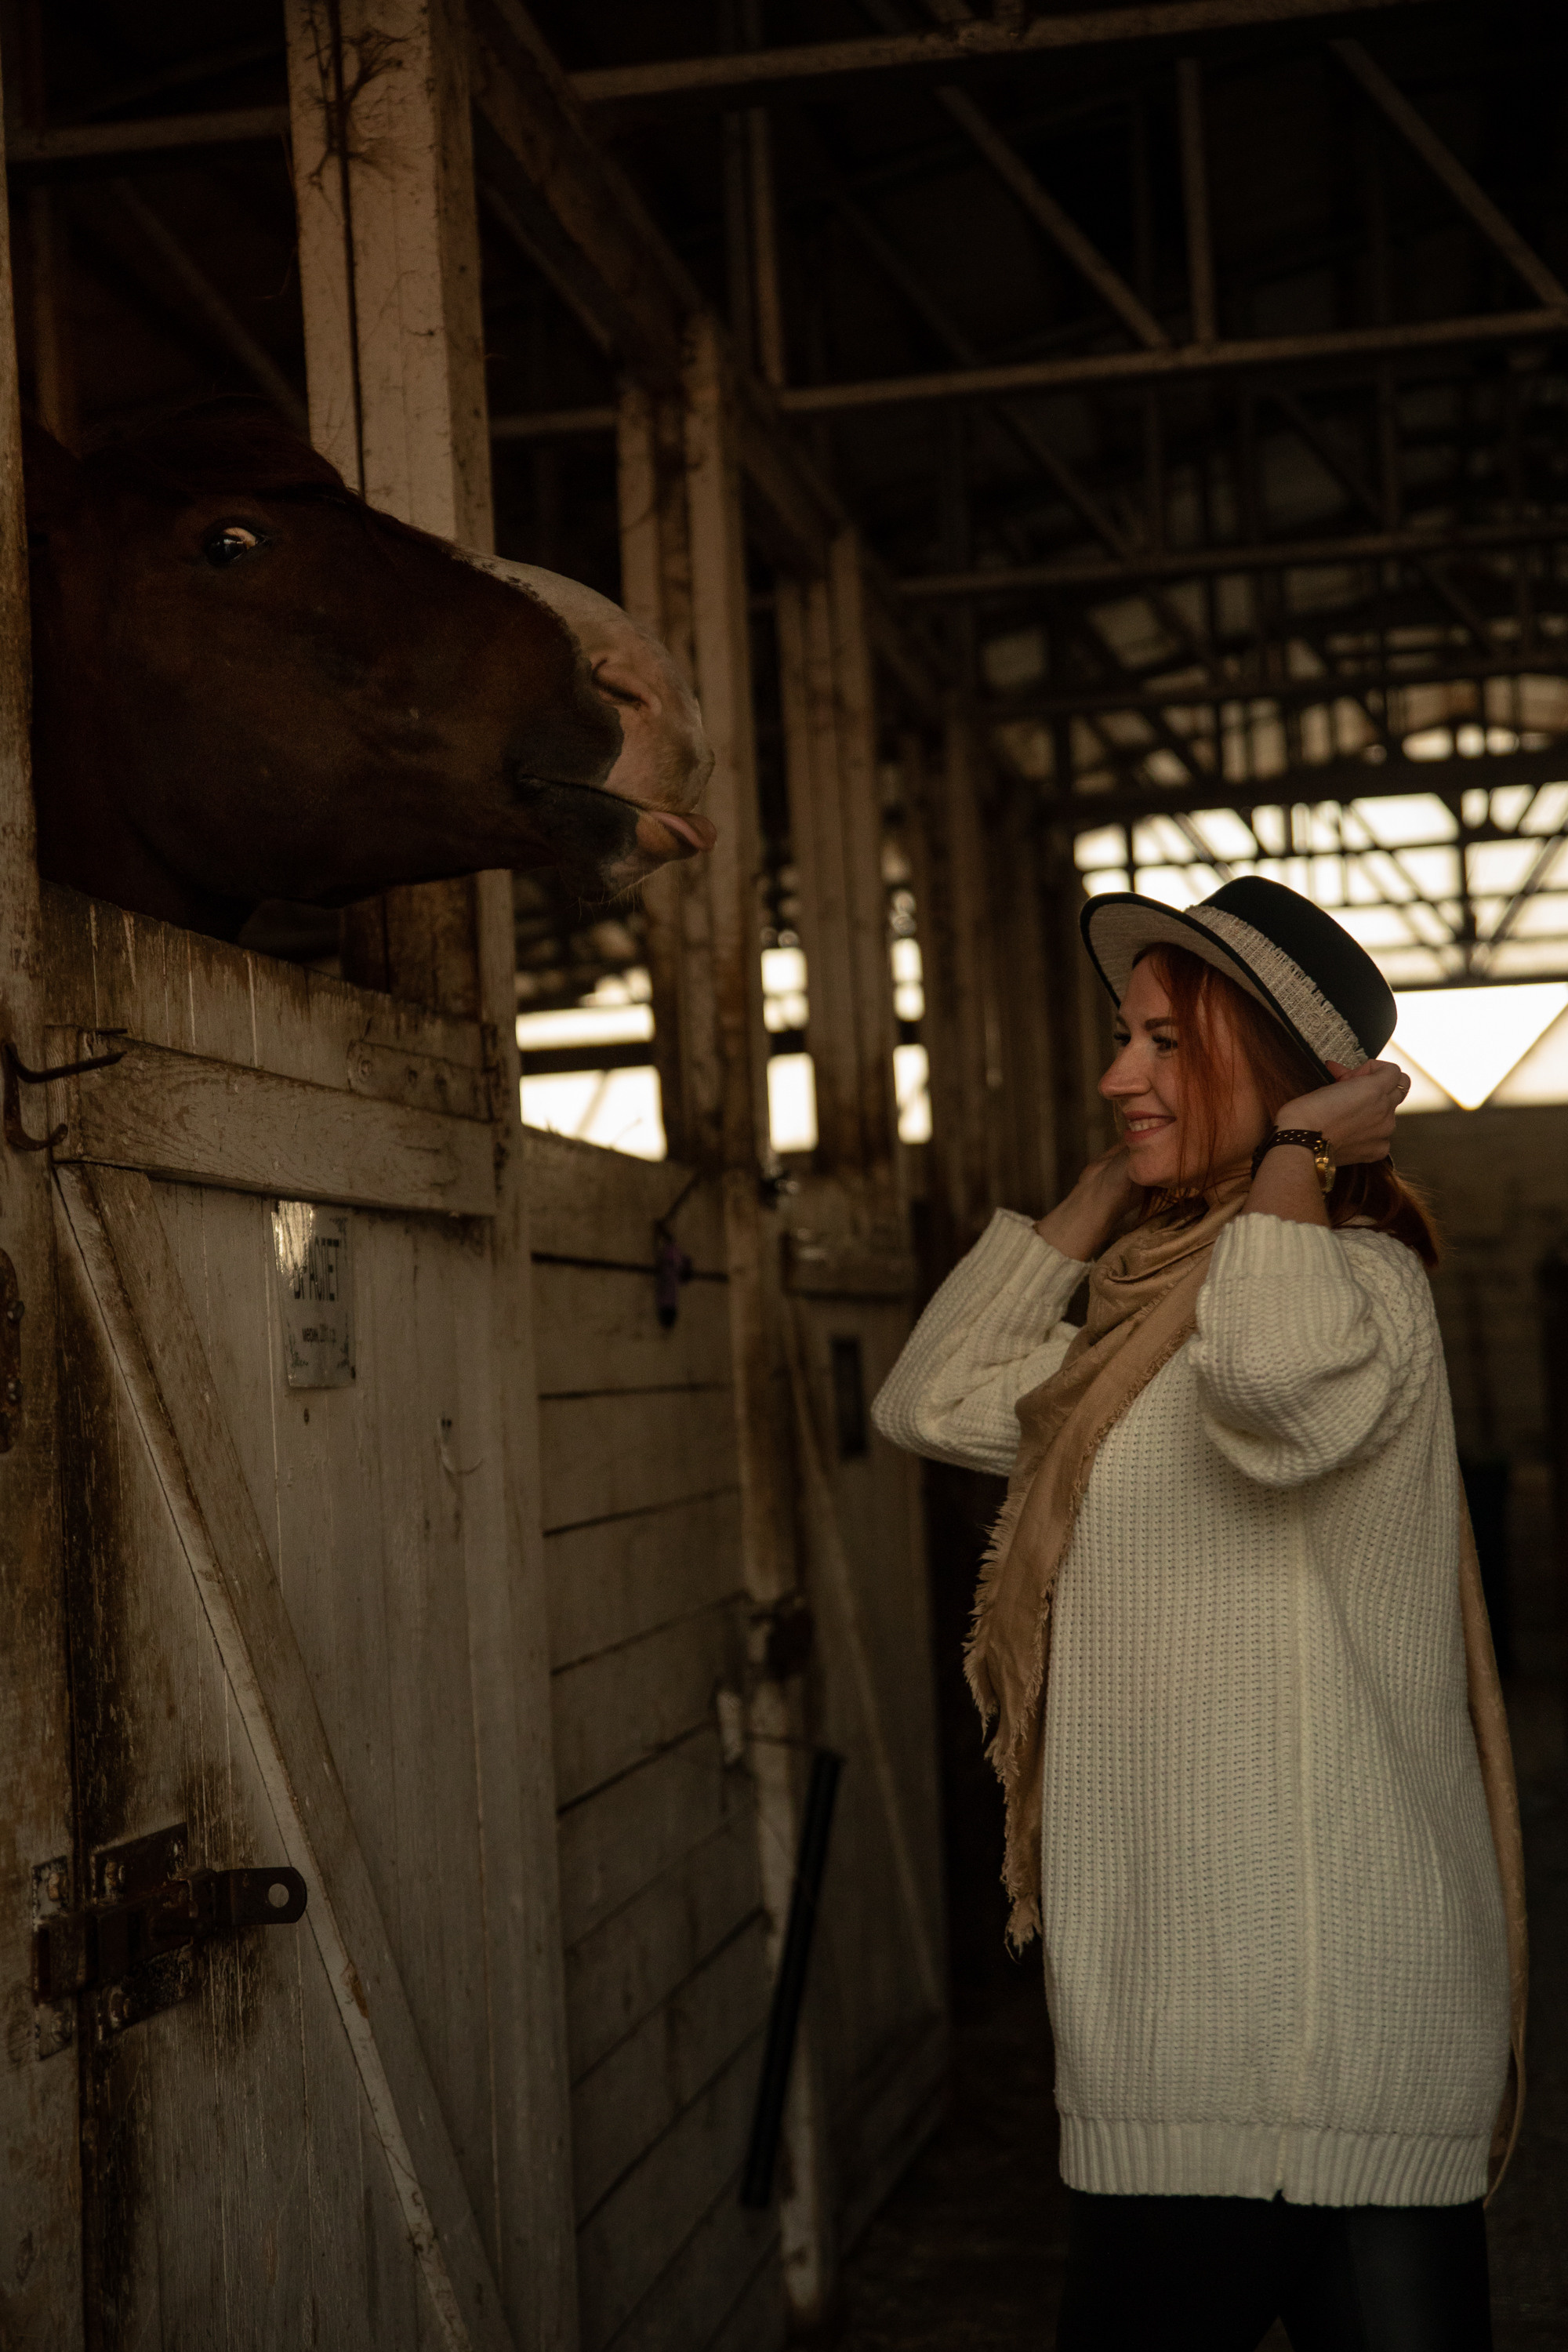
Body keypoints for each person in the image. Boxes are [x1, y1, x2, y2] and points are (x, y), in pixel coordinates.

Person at [872, 877, 1526, 2352]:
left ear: (1290, 1084)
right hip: (1188, 2039)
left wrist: (1294, 1157)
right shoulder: (1145, 1333)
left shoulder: (1356, 1291)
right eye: (1123, 1039)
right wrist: (1110, 1189)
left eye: (1165, 1044)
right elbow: (929, 1398)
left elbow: (1272, 1393)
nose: (1118, 1075)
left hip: (1325, 2029)